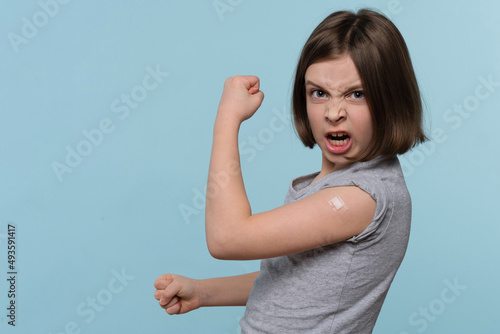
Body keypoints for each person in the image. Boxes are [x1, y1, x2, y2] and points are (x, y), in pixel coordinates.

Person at [154, 8, 426, 333]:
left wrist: (227, 119)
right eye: (319, 92)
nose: (333, 112)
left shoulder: (358, 198)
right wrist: (204, 292)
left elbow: (226, 238)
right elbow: (299, 282)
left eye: (357, 94)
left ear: (392, 100)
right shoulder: (343, 186)